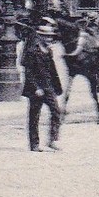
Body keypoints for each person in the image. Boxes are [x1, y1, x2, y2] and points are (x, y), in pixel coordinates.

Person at [22, 21, 64, 152]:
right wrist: (36, 88)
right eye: (46, 36)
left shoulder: (48, 51)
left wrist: (57, 86)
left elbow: (52, 70)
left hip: (49, 86)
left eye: (51, 37)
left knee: (56, 111)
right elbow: (28, 72)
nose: (49, 39)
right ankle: (34, 144)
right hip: (37, 89)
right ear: (40, 36)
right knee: (34, 116)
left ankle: (52, 139)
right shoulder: (32, 51)